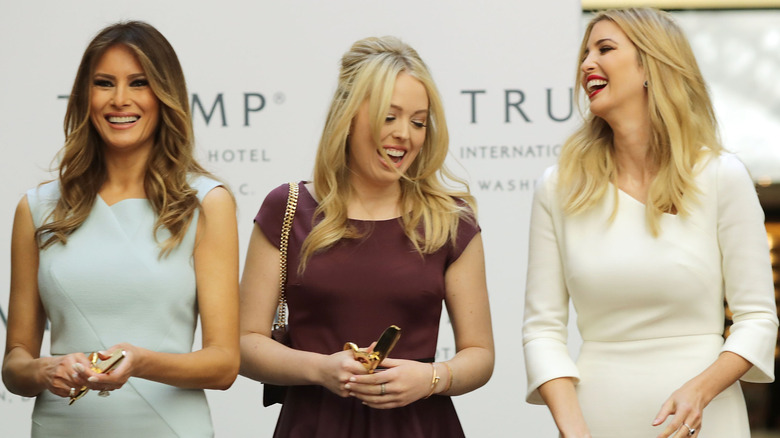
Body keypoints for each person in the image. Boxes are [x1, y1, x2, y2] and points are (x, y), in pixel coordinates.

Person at [522, 8, 778, 438]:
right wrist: (574, 431)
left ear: (650, 66)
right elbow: (541, 331)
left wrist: (700, 392)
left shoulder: (721, 177)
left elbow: (757, 319)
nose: (586, 64)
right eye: (585, 52)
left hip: (706, 420)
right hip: (595, 419)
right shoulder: (559, 188)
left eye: (604, 49)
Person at [239, 35, 494, 438]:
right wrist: (320, 370)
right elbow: (244, 344)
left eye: (417, 121)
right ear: (348, 116)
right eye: (388, 116)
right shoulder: (286, 208)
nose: (404, 135)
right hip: (313, 425)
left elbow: (480, 355)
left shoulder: (451, 220)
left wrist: (432, 377)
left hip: (420, 427)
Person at [2, 21, 239, 437]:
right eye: (104, 83)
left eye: (139, 83)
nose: (120, 100)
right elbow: (14, 365)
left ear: (164, 94)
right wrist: (45, 369)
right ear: (85, 96)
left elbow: (223, 365)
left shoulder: (205, 203)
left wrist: (141, 361)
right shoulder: (36, 209)